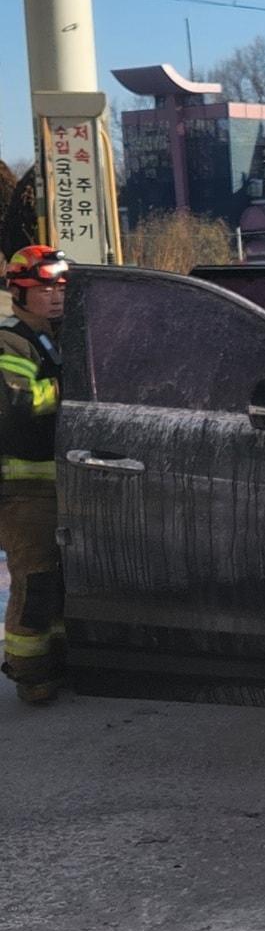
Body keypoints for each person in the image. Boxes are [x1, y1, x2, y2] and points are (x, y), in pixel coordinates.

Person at [0, 244, 67, 704]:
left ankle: (58, 659)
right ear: (20, 293)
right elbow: (17, 403)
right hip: (23, 489)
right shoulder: (10, 342)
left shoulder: (57, 338)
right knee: (37, 578)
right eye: (45, 289)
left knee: (61, 578)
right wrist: (67, 390)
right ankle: (31, 674)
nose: (56, 296)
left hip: (62, 481)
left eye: (61, 287)